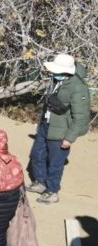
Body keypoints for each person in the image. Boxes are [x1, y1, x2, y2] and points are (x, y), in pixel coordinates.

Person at [27, 53, 90, 204]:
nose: (53, 73)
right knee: (37, 155)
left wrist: (69, 138)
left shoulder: (78, 88)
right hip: (46, 125)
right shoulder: (56, 80)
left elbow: (80, 116)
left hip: (62, 130)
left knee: (56, 162)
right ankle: (40, 182)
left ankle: (52, 191)